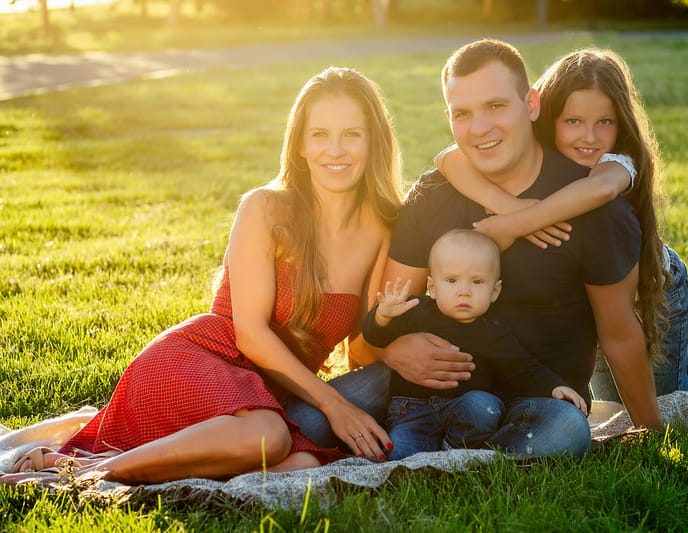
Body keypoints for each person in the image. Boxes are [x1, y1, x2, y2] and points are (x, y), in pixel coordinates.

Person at [4, 66, 401, 485]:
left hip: (267, 401)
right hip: (202, 361)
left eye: (351, 134)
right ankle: (86, 471)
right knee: (270, 438)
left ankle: (138, 464)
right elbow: (249, 333)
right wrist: (333, 405)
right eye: (320, 134)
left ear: (373, 140)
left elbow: (363, 348)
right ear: (300, 144)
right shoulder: (265, 208)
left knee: (300, 464)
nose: (334, 150)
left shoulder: (381, 228)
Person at [377, 38, 663, 460]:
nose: (479, 128)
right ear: (449, 118)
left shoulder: (593, 206)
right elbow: (387, 307)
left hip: (538, 393)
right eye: (463, 113)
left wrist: (652, 433)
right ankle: (456, 452)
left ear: (531, 104)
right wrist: (392, 349)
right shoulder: (434, 193)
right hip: (433, 390)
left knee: (565, 430)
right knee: (313, 419)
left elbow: (619, 333)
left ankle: (448, 459)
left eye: (496, 106)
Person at [433, 48, 688, 399]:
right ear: (547, 114)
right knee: (614, 397)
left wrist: (515, 224)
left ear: (620, 124)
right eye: (573, 121)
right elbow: (447, 158)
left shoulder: (616, 162)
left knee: (659, 395)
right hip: (592, 296)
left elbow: (599, 189)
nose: (588, 137)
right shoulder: (536, 144)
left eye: (604, 122)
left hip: (654, 288)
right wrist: (509, 206)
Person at [362, 229, 586, 460]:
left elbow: (524, 370)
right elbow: (375, 337)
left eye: (477, 282)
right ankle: (431, 459)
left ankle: (455, 452)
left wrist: (554, 387)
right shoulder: (414, 310)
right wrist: (383, 316)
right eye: (451, 280)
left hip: (466, 412)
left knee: (483, 404)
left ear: (494, 291)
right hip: (411, 412)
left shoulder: (494, 331)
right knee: (401, 455)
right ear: (433, 287)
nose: (464, 291)